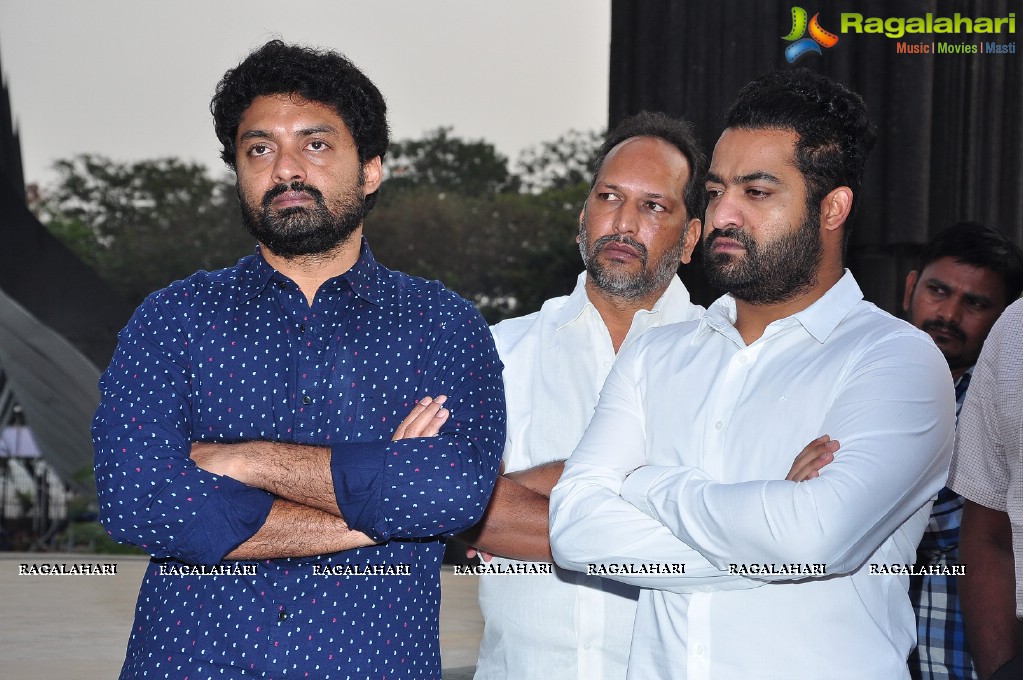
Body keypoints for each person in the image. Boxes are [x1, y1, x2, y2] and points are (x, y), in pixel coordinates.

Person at [92, 40, 505, 679]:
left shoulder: (441, 325)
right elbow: (140, 500)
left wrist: (245, 461)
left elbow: (452, 492)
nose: (285, 169)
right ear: (237, 171)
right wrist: (377, 520)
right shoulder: (173, 319)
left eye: (315, 144)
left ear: (370, 170)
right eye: (259, 149)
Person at [549, 67, 956, 679]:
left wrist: (648, 485)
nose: (723, 216)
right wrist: (766, 526)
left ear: (834, 207)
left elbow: (813, 537)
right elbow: (575, 530)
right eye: (715, 192)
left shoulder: (896, 359)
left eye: (756, 193)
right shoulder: (656, 352)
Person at [461, 112, 707, 680]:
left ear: (691, 237)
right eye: (609, 197)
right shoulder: (498, 352)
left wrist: (517, 502)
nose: (622, 224)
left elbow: (746, 532)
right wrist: (652, 495)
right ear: (583, 212)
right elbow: (459, 505)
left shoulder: (726, 361)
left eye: (653, 206)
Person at [903, 223, 1023, 680]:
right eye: (938, 290)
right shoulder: (850, 386)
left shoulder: (1003, 404)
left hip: (972, 656)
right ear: (910, 287)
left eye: (975, 303)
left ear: (1006, 321)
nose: (948, 314)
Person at [948, 298, 1023, 680]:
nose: (949, 315)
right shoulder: (1015, 328)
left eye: (976, 303)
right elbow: (987, 531)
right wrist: (1001, 670)